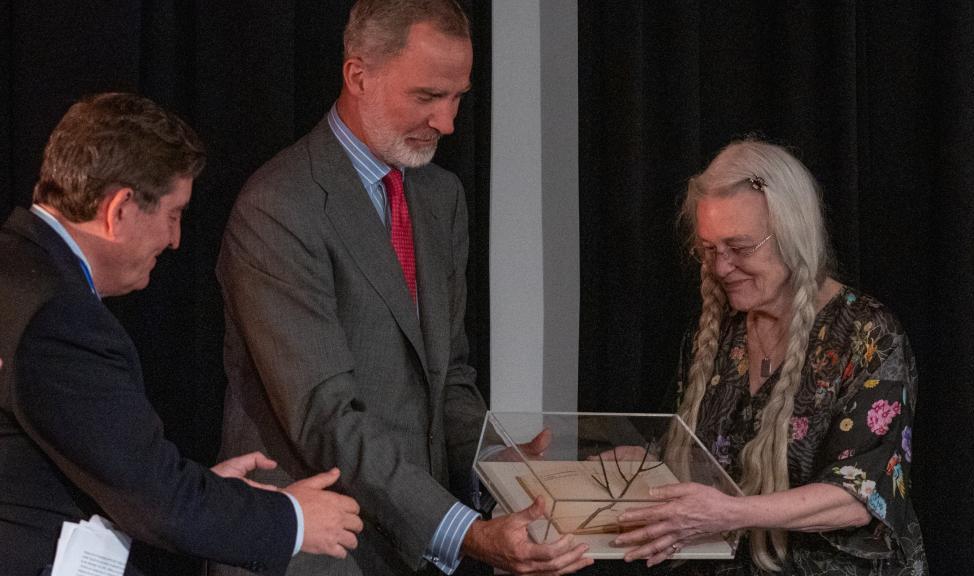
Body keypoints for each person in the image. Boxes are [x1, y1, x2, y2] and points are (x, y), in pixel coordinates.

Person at [213, 1, 592, 575]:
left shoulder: (440, 198)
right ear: (357, 75)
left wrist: (500, 462)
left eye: (458, 96)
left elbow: (447, 375)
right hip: (313, 556)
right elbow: (325, 414)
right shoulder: (280, 207)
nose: (448, 122)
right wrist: (466, 532)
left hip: (406, 551)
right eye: (427, 96)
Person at [0, 92, 363, 576]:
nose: (174, 240)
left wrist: (203, 491)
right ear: (120, 209)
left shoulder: (16, 268)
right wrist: (293, 519)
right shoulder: (59, 320)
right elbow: (156, 502)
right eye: (173, 214)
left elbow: (102, 467)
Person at [612, 139, 928, 575]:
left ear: (792, 234)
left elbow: (859, 496)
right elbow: (707, 463)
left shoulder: (868, 335)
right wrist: (647, 464)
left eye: (740, 248)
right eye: (708, 249)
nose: (722, 268)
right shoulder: (715, 333)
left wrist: (733, 513)